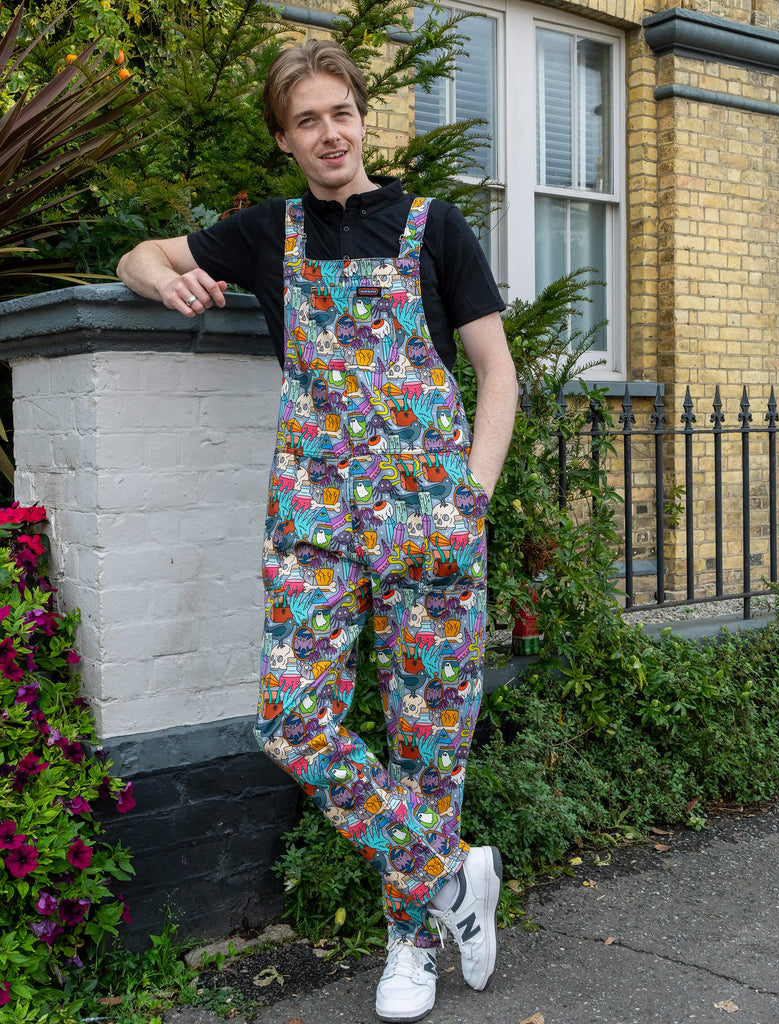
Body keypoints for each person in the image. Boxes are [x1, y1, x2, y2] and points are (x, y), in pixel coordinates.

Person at [117, 39, 518, 1024]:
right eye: (307, 120)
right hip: (316, 523)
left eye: (340, 111)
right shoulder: (267, 236)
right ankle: (452, 872)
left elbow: (497, 376)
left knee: (428, 744)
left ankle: (411, 945)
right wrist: (158, 278)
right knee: (293, 717)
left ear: (363, 116)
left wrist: (469, 498)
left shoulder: (435, 229)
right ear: (285, 139)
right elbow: (141, 255)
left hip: (431, 522)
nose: (328, 132)